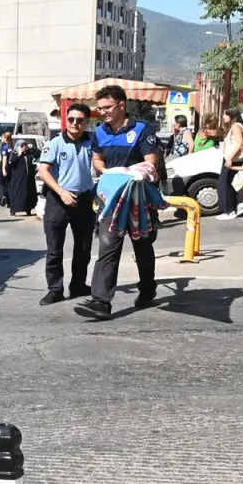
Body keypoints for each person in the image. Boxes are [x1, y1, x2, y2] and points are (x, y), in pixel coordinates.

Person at [73, 85, 162, 320]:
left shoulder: (142, 129)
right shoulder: (100, 132)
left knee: (142, 247)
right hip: (111, 199)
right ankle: (101, 301)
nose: (102, 112)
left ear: (122, 105)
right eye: (99, 108)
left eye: (107, 107)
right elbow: (97, 161)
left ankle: (147, 287)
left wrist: (128, 173)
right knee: (107, 248)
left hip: (138, 199)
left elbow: (151, 162)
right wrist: (110, 173)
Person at [37, 104, 97, 305]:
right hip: (58, 200)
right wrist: (61, 192)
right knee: (55, 249)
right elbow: (43, 171)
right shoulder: (55, 143)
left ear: (86, 122)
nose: (74, 123)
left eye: (79, 120)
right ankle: (55, 289)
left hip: (84, 200)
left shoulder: (92, 143)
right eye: (71, 119)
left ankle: (78, 284)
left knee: (83, 248)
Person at [217, 107, 243, 220]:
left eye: (226, 115)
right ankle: (234, 207)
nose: (223, 117)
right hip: (232, 158)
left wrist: (230, 158)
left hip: (232, 158)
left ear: (232, 115)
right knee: (226, 183)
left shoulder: (235, 126)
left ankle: (229, 211)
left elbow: (240, 143)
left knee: (223, 183)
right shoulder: (237, 126)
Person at [3, 136, 38, 216]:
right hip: (18, 179)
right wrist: (19, 154)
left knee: (27, 194)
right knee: (17, 194)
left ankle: (27, 209)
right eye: (22, 146)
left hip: (28, 179)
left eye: (25, 145)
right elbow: (11, 162)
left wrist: (33, 148)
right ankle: (14, 210)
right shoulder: (14, 154)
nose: (24, 147)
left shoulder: (28, 154)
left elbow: (38, 155)